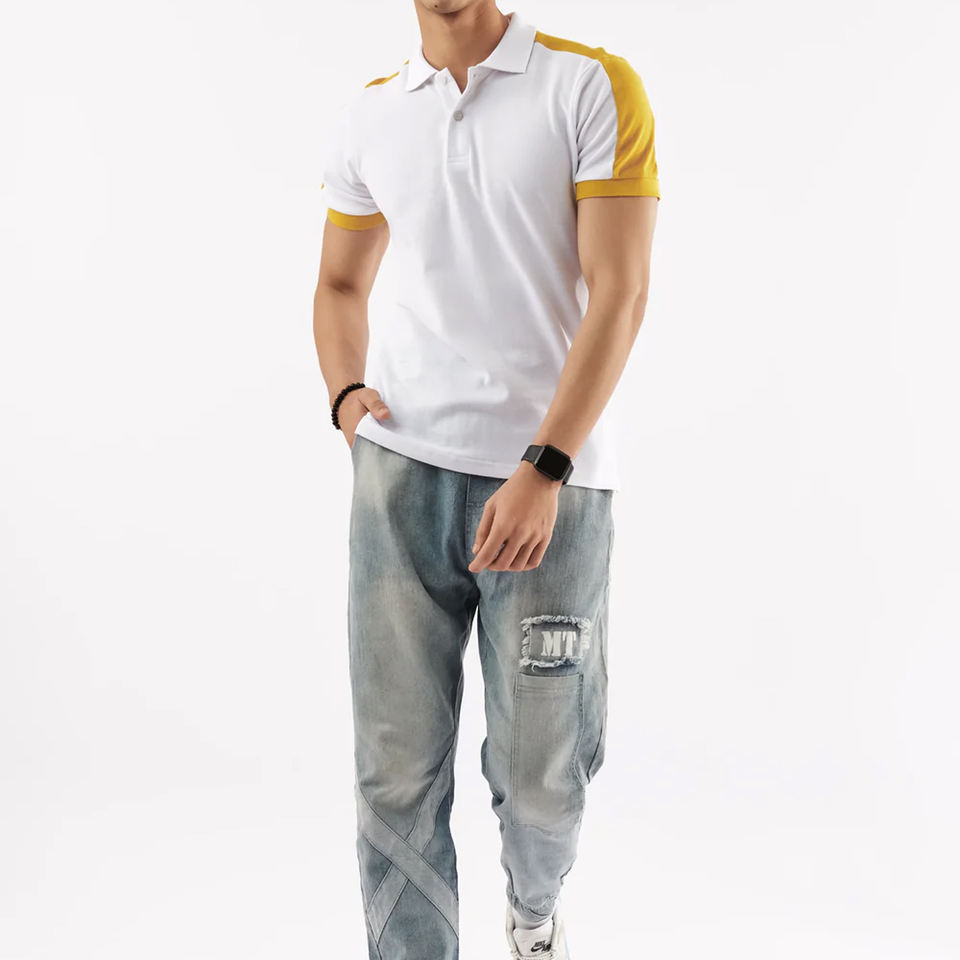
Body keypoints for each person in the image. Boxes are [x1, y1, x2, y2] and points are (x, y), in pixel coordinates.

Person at [313, 2, 659, 957]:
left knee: (544, 777)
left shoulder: (589, 85)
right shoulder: (373, 112)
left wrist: (544, 466)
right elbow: (339, 283)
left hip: (552, 487)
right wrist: (345, 397)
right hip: (400, 480)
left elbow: (622, 291)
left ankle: (534, 914)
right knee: (395, 773)